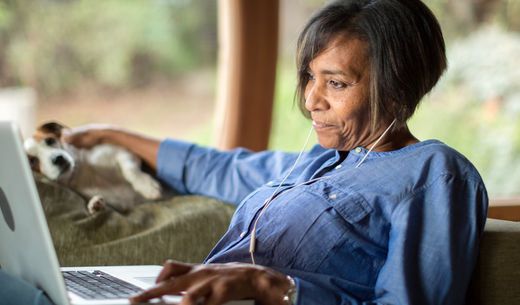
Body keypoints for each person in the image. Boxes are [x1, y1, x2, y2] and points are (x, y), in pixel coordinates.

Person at [0, 0, 488, 304]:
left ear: (399, 90)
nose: (311, 100)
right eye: (309, 78)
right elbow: (220, 168)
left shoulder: (435, 175)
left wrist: (271, 287)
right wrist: (115, 134)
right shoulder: (318, 161)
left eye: (335, 84)